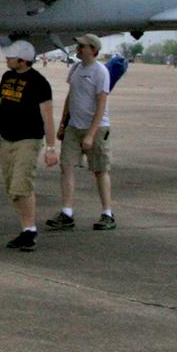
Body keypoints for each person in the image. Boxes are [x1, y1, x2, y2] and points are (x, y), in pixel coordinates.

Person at [0, 40, 56, 251]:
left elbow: (48, 116)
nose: (7, 59)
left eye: (11, 56)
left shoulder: (39, 82)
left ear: (23, 59)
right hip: (6, 139)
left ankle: (29, 231)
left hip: (28, 139)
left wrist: (51, 148)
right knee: (12, 188)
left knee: (21, 185)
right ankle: (25, 228)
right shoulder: (7, 77)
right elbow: (0, 99)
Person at [48, 33, 115, 231]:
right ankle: (67, 212)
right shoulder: (76, 68)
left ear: (93, 50)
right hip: (73, 128)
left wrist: (91, 134)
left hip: (96, 128)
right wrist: (63, 124)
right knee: (66, 167)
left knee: (100, 170)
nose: (78, 49)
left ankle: (107, 213)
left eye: (82, 47)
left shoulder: (100, 71)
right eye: (78, 46)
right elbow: (71, 97)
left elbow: (101, 105)